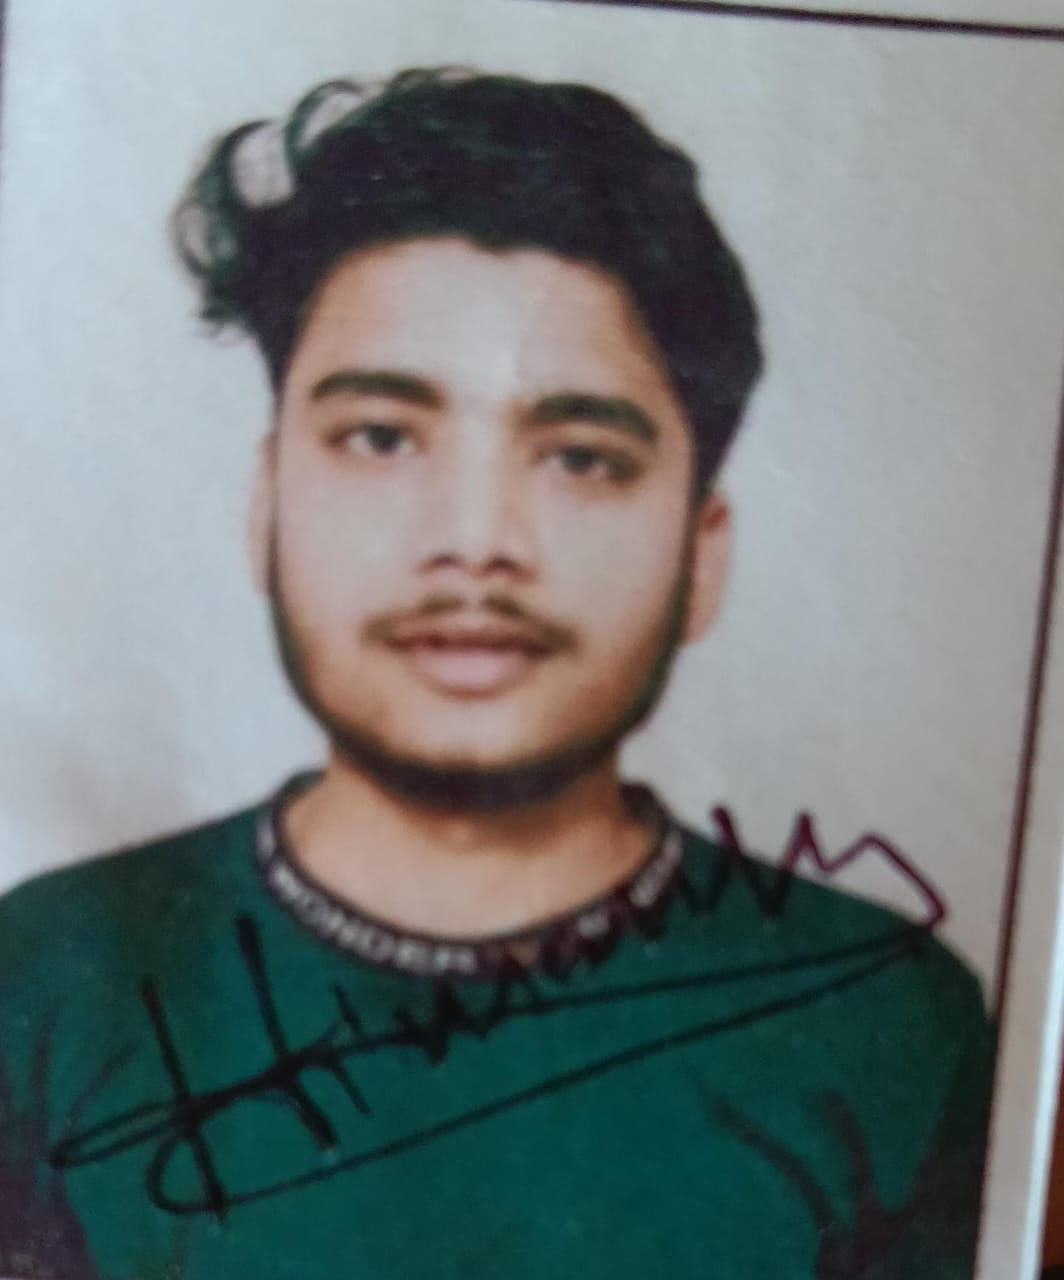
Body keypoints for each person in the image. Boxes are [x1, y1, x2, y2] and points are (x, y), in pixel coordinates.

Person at [0, 67, 993, 1279]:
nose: (475, 540)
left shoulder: (885, 1022)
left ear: (702, 550)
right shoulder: (49, 979)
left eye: (579, 457)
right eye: (381, 436)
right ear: (265, 506)